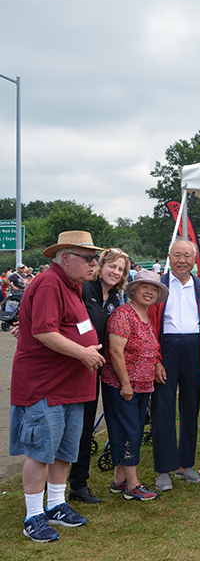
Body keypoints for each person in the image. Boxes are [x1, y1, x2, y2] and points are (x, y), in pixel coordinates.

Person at [9, 231, 106, 542]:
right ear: (65, 258)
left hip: (70, 385)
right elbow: (44, 332)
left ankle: (56, 504)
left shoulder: (72, 286)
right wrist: (84, 352)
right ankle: (34, 515)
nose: (94, 264)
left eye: (95, 258)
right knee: (40, 451)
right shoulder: (51, 283)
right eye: (88, 258)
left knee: (65, 449)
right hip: (46, 385)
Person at [148, 238, 200, 492]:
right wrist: (156, 359)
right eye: (177, 255)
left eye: (187, 255)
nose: (182, 260)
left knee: (190, 407)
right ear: (169, 257)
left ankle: (186, 464)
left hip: (194, 348)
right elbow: (150, 325)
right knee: (163, 408)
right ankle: (164, 468)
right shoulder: (158, 287)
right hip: (167, 347)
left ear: (194, 260)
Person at [68, 248, 130, 505]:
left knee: (85, 428)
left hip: (98, 371)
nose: (115, 272)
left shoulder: (118, 298)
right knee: (69, 427)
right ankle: (59, 482)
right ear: (101, 265)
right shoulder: (84, 290)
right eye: (112, 266)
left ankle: (78, 484)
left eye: (121, 269)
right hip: (73, 368)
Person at [103, 270, 169, 501]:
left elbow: (148, 348)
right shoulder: (123, 315)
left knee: (133, 430)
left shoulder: (144, 315)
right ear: (133, 290)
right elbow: (114, 351)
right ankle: (133, 485)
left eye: (154, 289)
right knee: (129, 432)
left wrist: (157, 363)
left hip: (143, 385)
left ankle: (118, 480)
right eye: (145, 287)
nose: (150, 292)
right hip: (123, 386)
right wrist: (125, 384)